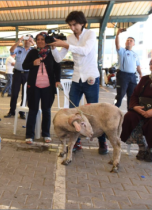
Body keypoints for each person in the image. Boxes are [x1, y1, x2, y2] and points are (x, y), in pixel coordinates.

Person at [48, 11, 108, 155]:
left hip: (90, 77)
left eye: (74, 24)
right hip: (76, 79)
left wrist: (66, 45)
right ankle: (76, 142)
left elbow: (85, 51)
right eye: (70, 25)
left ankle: (103, 142)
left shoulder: (90, 34)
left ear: (82, 23)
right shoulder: (69, 38)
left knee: (95, 113)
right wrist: (54, 47)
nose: (72, 27)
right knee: (73, 112)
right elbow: (57, 59)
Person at [22, 32, 61, 144]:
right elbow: (24, 65)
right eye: (38, 39)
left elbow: (58, 67)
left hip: (48, 87)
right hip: (34, 87)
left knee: (47, 111)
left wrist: (57, 80)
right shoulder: (33, 52)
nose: (39, 41)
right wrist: (33, 63)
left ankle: (46, 134)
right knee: (33, 110)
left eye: (42, 39)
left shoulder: (52, 53)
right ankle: (29, 135)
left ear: (46, 41)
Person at [121, 59, 152, 162]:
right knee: (129, 117)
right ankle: (142, 147)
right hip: (142, 109)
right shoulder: (145, 79)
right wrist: (135, 107)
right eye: (151, 64)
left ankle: (150, 150)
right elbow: (134, 95)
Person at [4, 34, 35, 119]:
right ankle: (12, 111)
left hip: (27, 74)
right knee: (14, 93)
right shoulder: (19, 49)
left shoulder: (33, 50)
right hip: (17, 73)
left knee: (26, 93)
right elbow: (11, 50)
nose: (26, 42)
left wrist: (33, 42)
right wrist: (19, 41)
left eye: (28, 40)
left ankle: (22, 112)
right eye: (25, 40)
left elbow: (40, 51)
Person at [114, 28, 142, 108]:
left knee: (132, 96)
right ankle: (115, 108)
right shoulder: (122, 51)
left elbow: (138, 66)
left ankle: (130, 113)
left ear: (134, 44)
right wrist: (118, 34)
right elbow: (117, 44)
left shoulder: (135, 54)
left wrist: (140, 74)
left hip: (132, 77)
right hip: (123, 76)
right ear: (125, 42)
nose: (129, 41)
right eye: (128, 40)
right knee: (120, 95)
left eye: (131, 41)